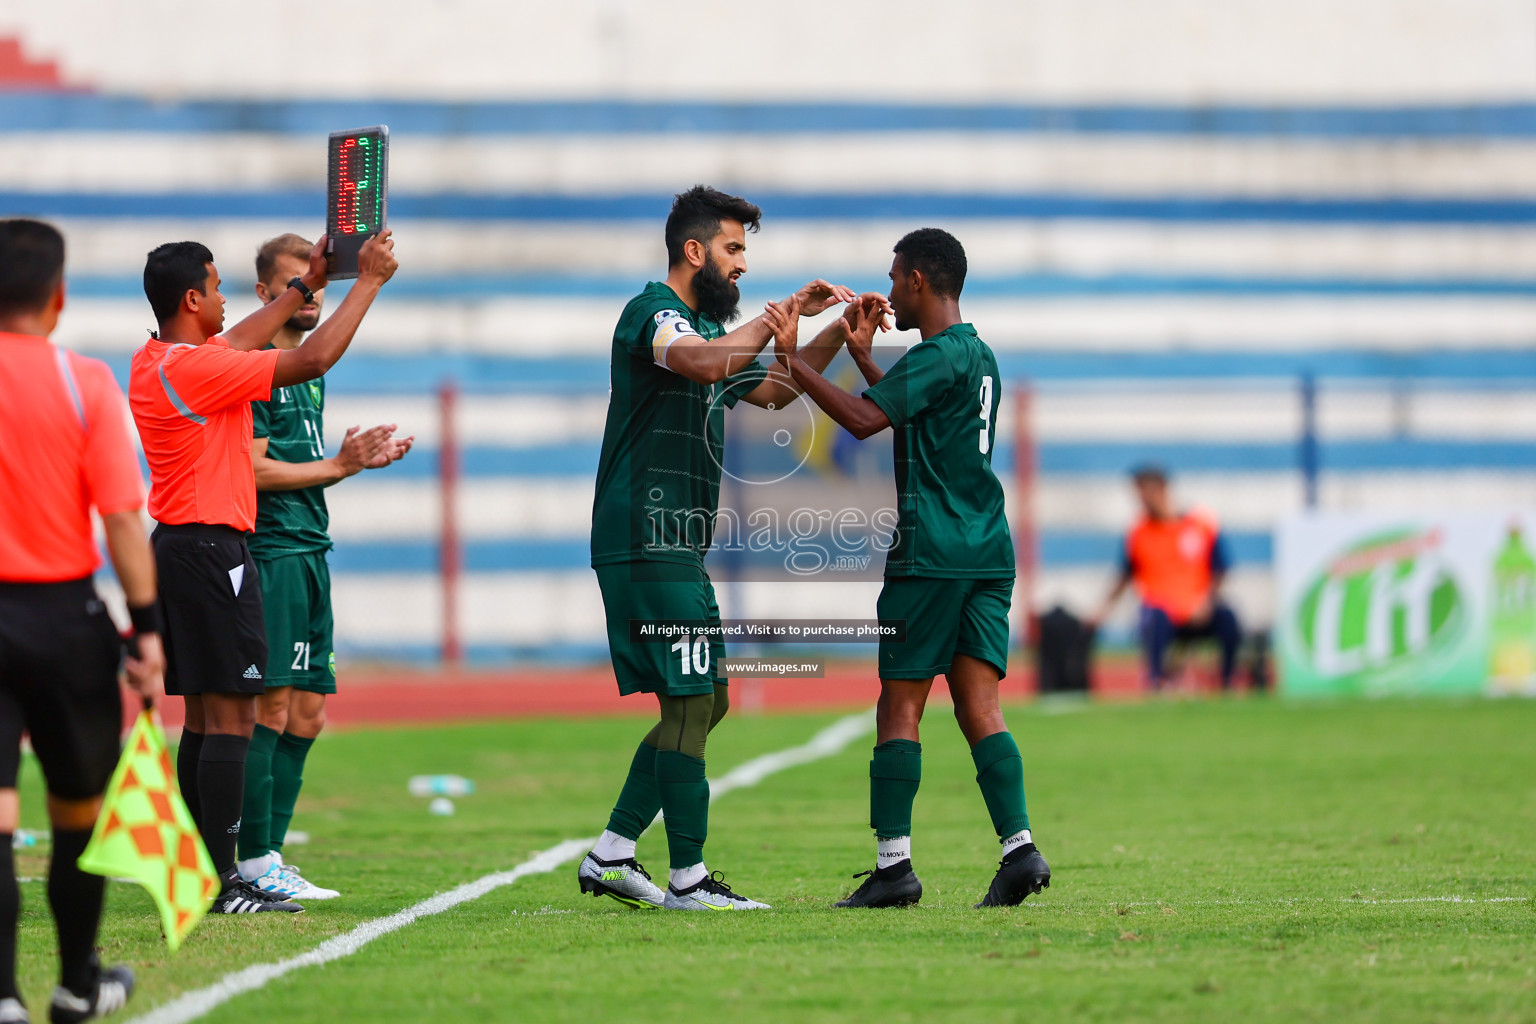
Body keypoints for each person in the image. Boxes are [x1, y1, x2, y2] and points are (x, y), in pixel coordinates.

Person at [580, 185, 876, 912]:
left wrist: (832, 326)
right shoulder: (652, 314)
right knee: (689, 698)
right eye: (734, 248)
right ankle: (689, 878)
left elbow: (774, 389)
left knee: (709, 699)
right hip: (643, 536)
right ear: (695, 250)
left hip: (678, 542)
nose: (742, 264)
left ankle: (613, 852)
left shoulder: (707, 329)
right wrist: (780, 316)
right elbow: (704, 363)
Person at [763, 227, 1050, 909]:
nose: (889, 291)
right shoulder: (976, 355)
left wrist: (795, 362)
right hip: (987, 548)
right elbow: (913, 413)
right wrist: (862, 355)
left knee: (900, 704)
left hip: (931, 552)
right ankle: (1020, 850)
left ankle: (894, 868)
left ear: (920, 279)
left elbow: (866, 423)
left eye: (895, 279)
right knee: (981, 706)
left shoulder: (939, 354)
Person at [129, 230, 397, 915]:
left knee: (203, 718)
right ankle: (229, 881)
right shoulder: (201, 370)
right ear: (193, 299)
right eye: (216, 289)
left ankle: (205, 871)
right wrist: (366, 282)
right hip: (215, 553)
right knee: (235, 720)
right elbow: (311, 358)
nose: (224, 301)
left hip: (179, 547)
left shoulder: (157, 359)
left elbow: (245, 335)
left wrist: (308, 286)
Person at [0, 218, 164, 1023]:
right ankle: (75, 983)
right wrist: (146, 630)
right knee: (76, 813)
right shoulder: (83, 381)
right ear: (56, 297)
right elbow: (124, 522)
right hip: (63, 617)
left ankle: (0, 995)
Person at [235, 234, 412, 901]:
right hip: (273, 550)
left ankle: (270, 855)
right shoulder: (248, 366)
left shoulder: (309, 370)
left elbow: (304, 455)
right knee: (271, 706)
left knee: (308, 714)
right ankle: (251, 864)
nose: (308, 297)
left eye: (314, 283)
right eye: (292, 283)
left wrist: (356, 456)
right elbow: (250, 469)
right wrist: (339, 467)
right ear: (265, 294)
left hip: (313, 549)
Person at [1087, 465, 1242, 690]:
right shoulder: (1138, 532)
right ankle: (1156, 682)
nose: (1142, 500)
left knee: (1228, 617)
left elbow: (1220, 569)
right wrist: (1102, 609)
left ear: (1162, 489)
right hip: (1161, 612)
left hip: (1198, 610)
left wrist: (1206, 601)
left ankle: (1227, 681)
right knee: (1153, 616)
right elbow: (1123, 577)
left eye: (1145, 492)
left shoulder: (1200, 524)